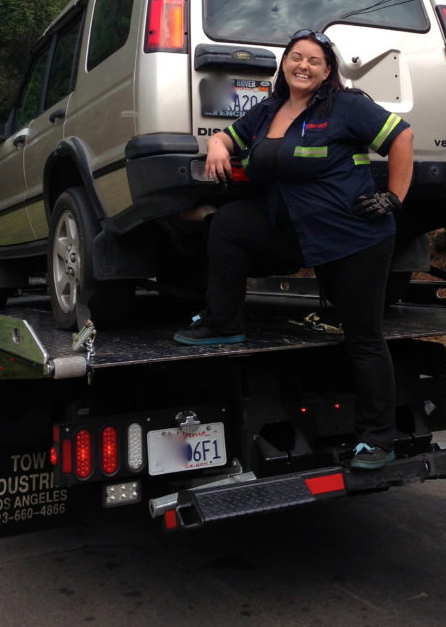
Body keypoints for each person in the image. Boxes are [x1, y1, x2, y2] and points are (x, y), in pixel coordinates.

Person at [173, 28, 414, 469]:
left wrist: (394, 198)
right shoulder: (269, 110)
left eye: (315, 61)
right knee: (227, 223)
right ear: (284, 63)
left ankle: (377, 439)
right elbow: (232, 138)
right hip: (294, 232)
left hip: (354, 237)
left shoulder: (346, 105)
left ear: (327, 72)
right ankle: (224, 321)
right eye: (296, 57)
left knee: (363, 340)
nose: (303, 66)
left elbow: (401, 137)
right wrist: (215, 143)